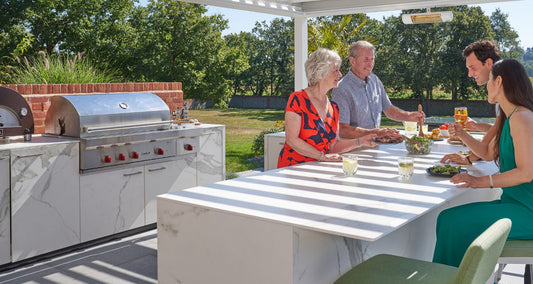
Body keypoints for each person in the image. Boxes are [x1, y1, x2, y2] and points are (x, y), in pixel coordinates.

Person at [433, 59, 533, 267]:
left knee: (454, 224)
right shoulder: (509, 115)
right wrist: (462, 135)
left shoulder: (522, 117)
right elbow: (488, 152)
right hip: (514, 204)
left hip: (528, 210)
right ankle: (452, 277)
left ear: (499, 81)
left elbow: (526, 173)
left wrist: (478, 182)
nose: (486, 86)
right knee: (446, 219)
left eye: (489, 80)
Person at [277, 48, 377, 168]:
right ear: (321, 72)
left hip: (320, 170)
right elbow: (292, 140)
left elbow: (333, 146)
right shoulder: (298, 99)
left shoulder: (334, 108)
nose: (340, 74)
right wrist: (322, 156)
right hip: (293, 169)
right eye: (336, 70)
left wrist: (360, 141)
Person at [331, 40, 424, 139]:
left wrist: (409, 116)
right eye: (366, 59)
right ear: (352, 61)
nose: (370, 64)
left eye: (372, 59)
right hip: (354, 150)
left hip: (377, 146)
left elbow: (389, 110)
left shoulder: (375, 80)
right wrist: (376, 132)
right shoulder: (341, 89)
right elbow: (343, 130)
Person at [440, 40, 501, 165]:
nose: (469, 74)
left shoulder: (507, 94)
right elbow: (499, 130)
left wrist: (462, 136)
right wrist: (476, 125)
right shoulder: (502, 92)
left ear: (488, 63)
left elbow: (489, 150)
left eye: (472, 68)